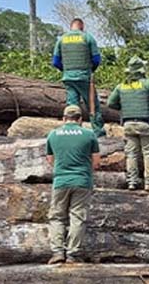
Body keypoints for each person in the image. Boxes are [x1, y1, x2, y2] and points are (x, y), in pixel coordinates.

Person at [46, 105, 101, 264]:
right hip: (82, 181)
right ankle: (72, 254)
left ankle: (57, 252)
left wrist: (63, 169)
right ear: (80, 120)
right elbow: (96, 162)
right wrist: (83, 171)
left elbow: (51, 160)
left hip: (60, 181)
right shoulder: (89, 134)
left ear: (64, 119)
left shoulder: (53, 134)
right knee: (77, 217)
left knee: (57, 217)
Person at [107, 56, 149, 191]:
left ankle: (132, 182)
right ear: (142, 70)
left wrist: (123, 108)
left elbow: (110, 103)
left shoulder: (121, 86)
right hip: (145, 124)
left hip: (128, 125)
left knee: (131, 154)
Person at [52, 18, 105, 138]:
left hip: (68, 78)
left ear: (71, 27)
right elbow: (96, 59)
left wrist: (65, 70)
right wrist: (91, 70)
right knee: (92, 105)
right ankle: (98, 132)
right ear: (82, 27)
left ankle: (72, 132)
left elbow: (55, 61)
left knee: (72, 105)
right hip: (84, 77)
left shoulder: (62, 39)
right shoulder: (87, 37)